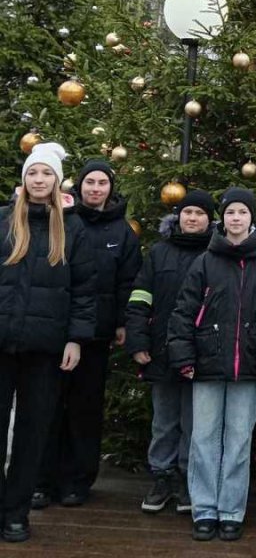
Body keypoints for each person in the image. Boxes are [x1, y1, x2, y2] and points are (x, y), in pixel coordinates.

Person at [168, 187, 256, 542]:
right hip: (205, 366)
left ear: (252, 217)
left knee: (238, 441)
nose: (236, 218)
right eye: (231, 212)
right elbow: (184, 312)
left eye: (243, 212)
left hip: (248, 369)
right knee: (204, 438)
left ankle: (231, 510)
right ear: (223, 218)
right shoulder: (205, 262)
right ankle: (204, 509)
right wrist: (184, 356)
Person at [0, 143, 95, 542]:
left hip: (47, 348)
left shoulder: (73, 230)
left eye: (47, 174)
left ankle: (16, 513)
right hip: (2, 343)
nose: (39, 180)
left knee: (32, 433)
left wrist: (75, 338)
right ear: (24, 180)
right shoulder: (4, 221)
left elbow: (85, 291)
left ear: (57, 181)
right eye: (33, 174)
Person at [34, 160, 141, 508]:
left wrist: (123, 321)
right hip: (55, 330)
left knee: (85, 409)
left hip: (97, 334)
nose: (95, 188)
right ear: (78, 186)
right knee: (47, 406)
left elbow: (128, 280)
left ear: (111, 188)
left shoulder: (122, 232)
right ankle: (41, 479)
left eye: (102, 183)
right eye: (89, 182)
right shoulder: (64, 220)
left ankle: (77, 481)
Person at [126, 190, 215, 514]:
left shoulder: (216, 254)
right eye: (187, 212)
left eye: (199, 213)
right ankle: (162, 476)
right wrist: (138, 342)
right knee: (164, 420)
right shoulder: (159, 253)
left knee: (195, 424)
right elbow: (139, 298)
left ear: (209, 219)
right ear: (178, 217)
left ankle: (187, 478)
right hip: (161, 352)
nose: (192, 218)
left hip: (201, 355)